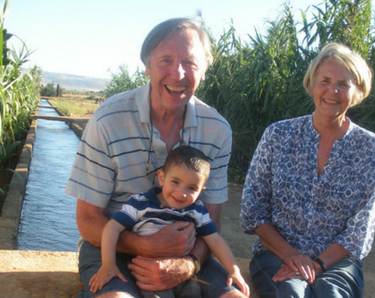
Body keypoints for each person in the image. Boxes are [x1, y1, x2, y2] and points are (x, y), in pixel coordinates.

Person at [65, 18, 246, 298]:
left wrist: (188, 263)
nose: (178, 73)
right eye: (165, 60)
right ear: (147, 66)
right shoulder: (107, 121)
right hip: (114, 247)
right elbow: (88, 220)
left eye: (190, 62)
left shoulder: (217, 130)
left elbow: (212, 221)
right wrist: (144, 246)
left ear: (205, 71)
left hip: (188, 250)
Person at [240, 43, 375, 298]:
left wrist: (317, 264)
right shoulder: (278, 134)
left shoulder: (372, 148)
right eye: (326, 80)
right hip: (277, 254)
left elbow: (361, 227)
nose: (333, 90)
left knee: (330, 294)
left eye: (344, 83)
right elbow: (253, 207)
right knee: (290, 292)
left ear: (358, 91)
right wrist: (292, 256)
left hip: (338, 263)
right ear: (312, 83)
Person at [88, 146, 249, 297]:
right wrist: (108, 264)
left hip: (185, 276)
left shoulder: (196, 210)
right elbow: (112, 227)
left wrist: (233, 270)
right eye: (175, 182)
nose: (181, 193)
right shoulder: (140, 203)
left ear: (201, 191)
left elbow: (215, 240)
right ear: (161, 177)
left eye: (192, 188)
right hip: (149, 275)